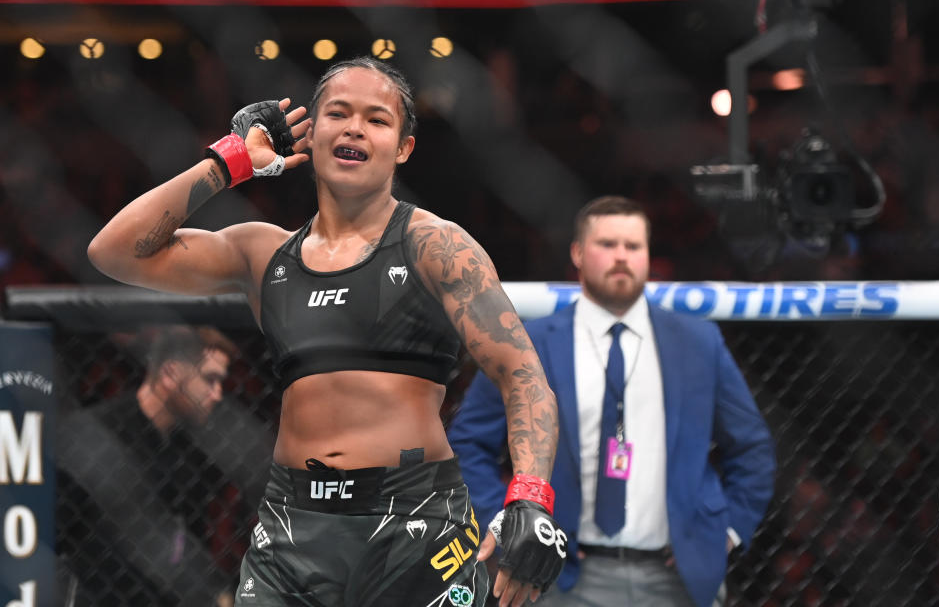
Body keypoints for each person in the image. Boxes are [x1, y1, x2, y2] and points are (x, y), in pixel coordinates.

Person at [87, 56, 567, 607]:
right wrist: (229, 162)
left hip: (414, 519)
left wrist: (530, 498)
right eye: (338, 114)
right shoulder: (262, 252)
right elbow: (113, 251)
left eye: (377, 119)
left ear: (403, 147)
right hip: (292, 525)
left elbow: (523, 375)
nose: (355, 128)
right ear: (309, 136)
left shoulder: (436, 246)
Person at [447, 196, 777, 607]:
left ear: (647, 256)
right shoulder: (530, 343)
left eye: (633, 246)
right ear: (578, 253)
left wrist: (725, 532)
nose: (621, 256)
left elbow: (752, 448)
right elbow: (468, 444)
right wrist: (508, 523)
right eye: (607, 244)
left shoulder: (697, 341)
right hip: (558, 573)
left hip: (677, 575)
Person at [57, 325, 241, 606]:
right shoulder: (94, 433)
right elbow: (56, 538)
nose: (217, 394)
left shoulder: (191, 452)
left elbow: (191, 543)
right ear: (170, 374)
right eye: (209, 379)